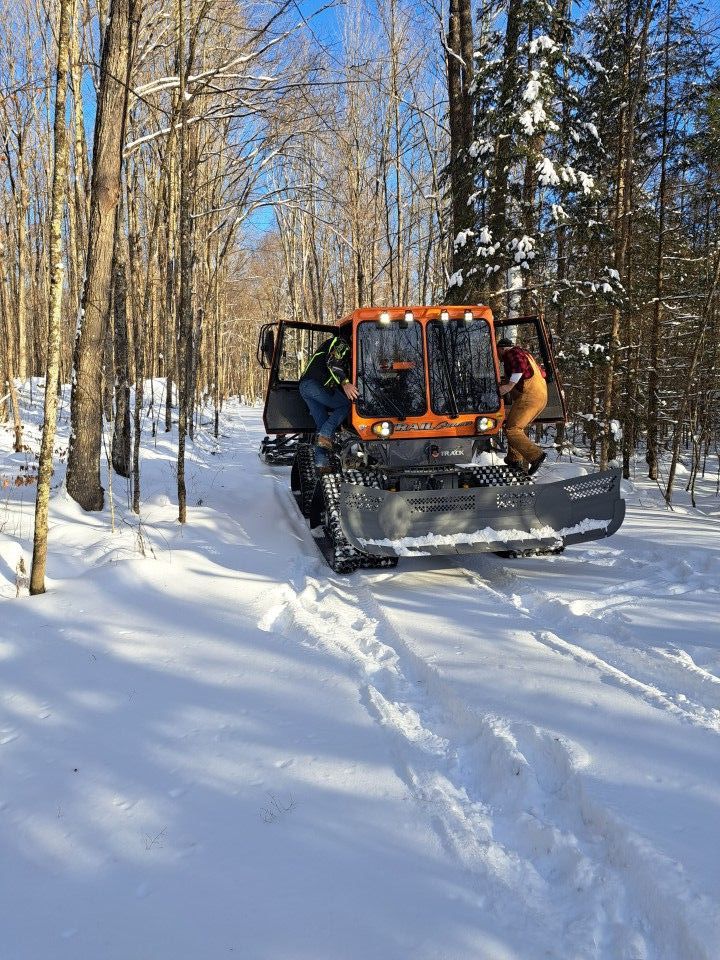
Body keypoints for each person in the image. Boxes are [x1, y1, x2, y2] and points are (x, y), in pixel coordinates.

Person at [299, 335, 358, 470]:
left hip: (305, 387)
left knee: (322, 425)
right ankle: (325, 434)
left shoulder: (331, 344)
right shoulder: (341, 343)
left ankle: (321, 464)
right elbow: (332, 361)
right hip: (315, 385)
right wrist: (345, 383)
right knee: (345, 404)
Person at [496, 337, 548, 475]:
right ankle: (514, 459)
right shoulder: (527, 355)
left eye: (497, 351)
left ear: (502, 348)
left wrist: (509, 386)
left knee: (512, 429)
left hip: (530, 397)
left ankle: (536, 456)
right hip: (540, 397)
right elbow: (543, 373)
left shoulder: (513, 352)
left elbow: (519, 367)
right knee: (515, 426)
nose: (497, 355)